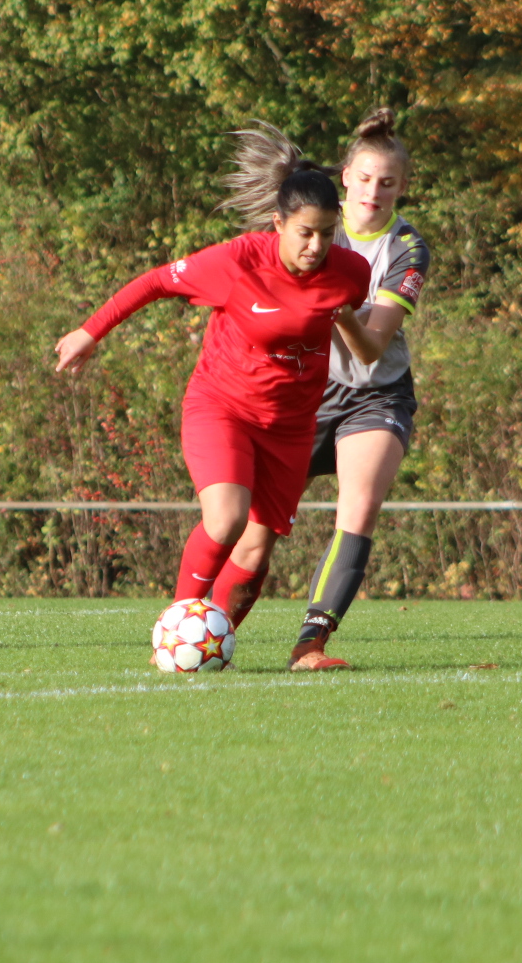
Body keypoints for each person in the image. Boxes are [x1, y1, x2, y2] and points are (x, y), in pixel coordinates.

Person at [54, 124, 374, 666]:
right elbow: (156, 281)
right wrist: (90, 331)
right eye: (304, 234)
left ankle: (203, 648)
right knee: (226, 518)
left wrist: (350, 326)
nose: (316, 247)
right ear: (277, 225)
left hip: (292, 426)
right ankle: (179, 628)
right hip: (222, 407)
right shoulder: (238, 261)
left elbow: (359, 345)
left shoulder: (351, 273)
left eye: (326, 233)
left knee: (257, 545)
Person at [287, 108, 430, 669]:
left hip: (376, 391)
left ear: (403, 189)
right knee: (254, 519)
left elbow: (370, 347)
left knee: (361, 504)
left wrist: (337, 306)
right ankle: (203, 624)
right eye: (366, 178)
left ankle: (311, 645)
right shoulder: (314, 225)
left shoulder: (406, 249)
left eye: (388, 183)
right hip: (306, 391)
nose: (374, 191)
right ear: (345, 176)